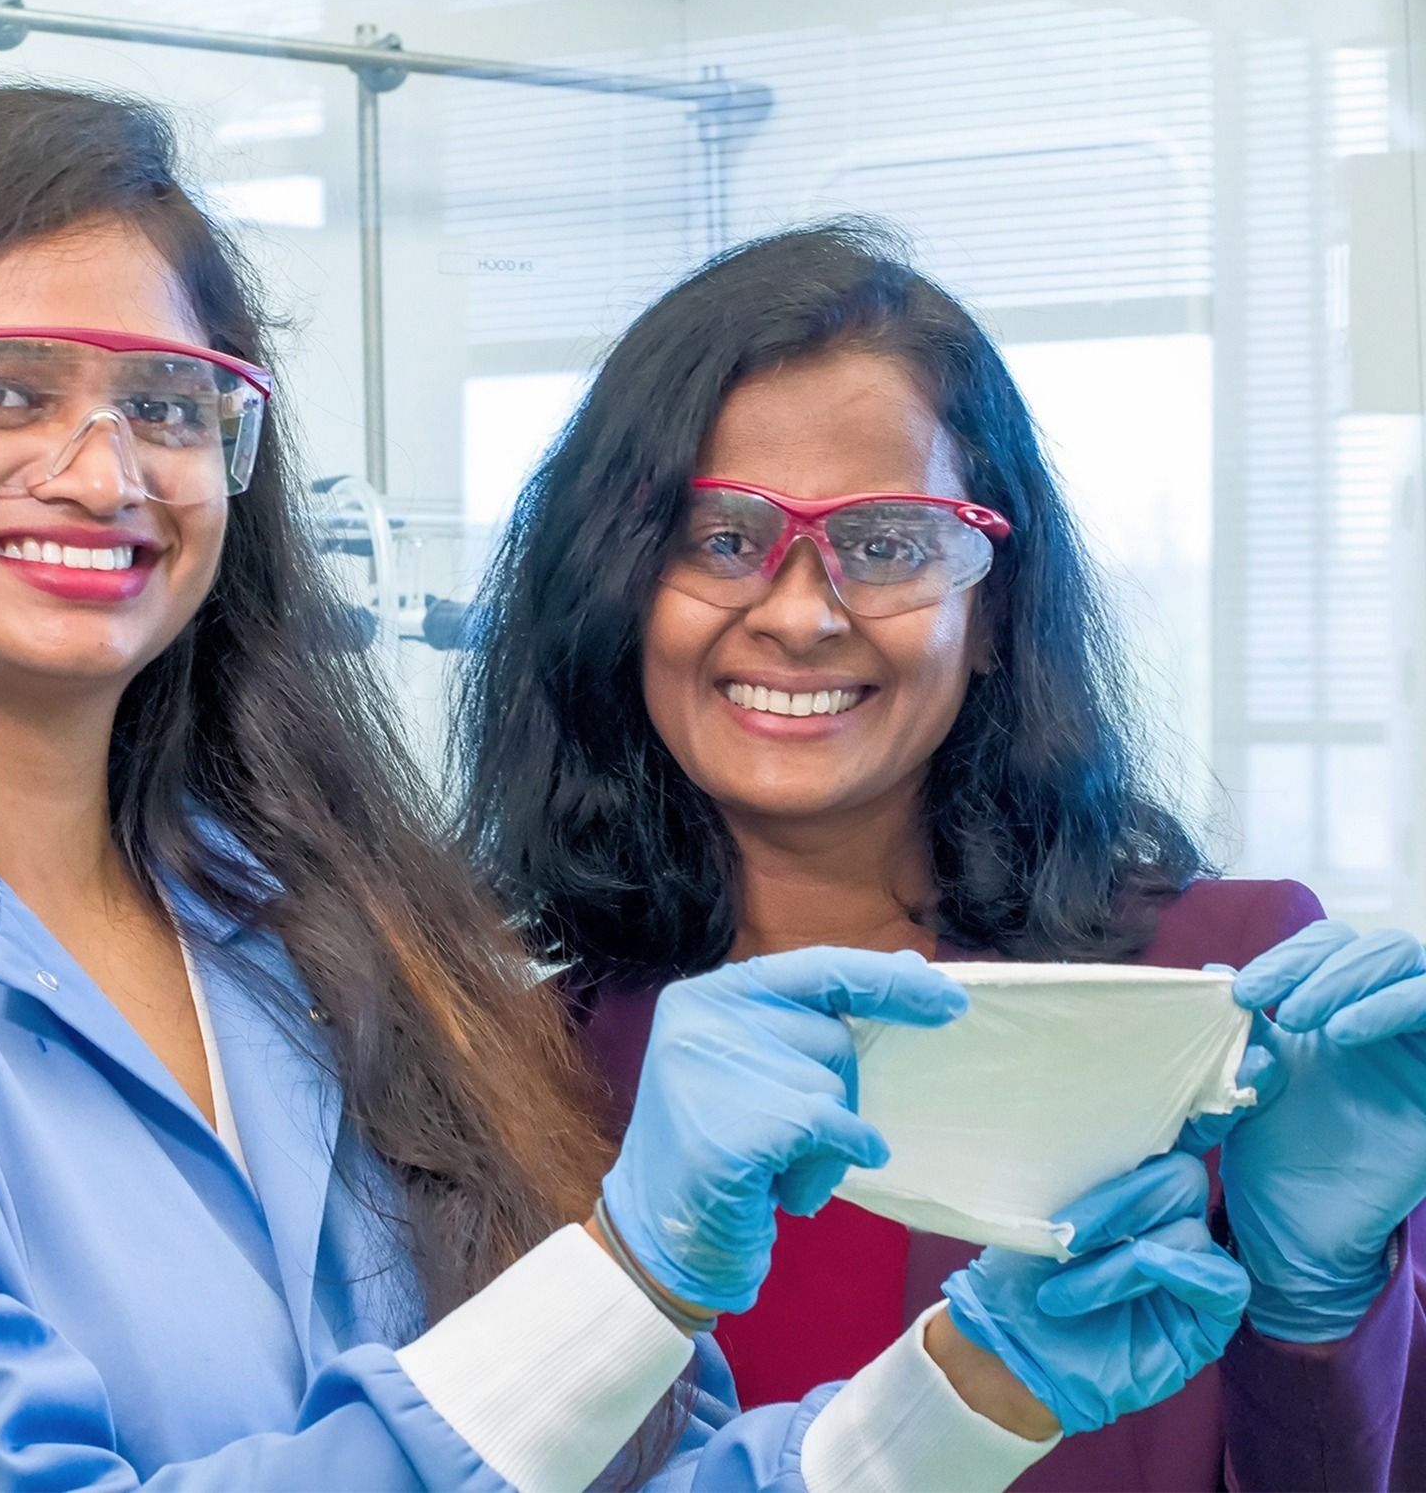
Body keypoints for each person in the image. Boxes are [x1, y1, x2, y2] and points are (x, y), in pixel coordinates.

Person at [0, 94, 1244, 1492]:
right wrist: (614, 1277)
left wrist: (970, 1386)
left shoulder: (311, 935)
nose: (98, 464)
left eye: (173, 401)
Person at [456, 220, 1426, 1490]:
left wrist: (1319, 1310)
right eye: (720, 537)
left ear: (992, 614)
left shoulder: (1216, 989)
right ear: (615, 592)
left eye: (884, 542)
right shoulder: (509, 1069)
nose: (800, 613)